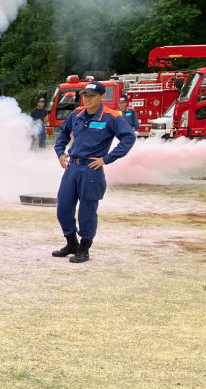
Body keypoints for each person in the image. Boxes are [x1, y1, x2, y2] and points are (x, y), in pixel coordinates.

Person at [52, 81, 135, 263]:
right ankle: (71, 243)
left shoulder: (111, 116)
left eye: (91, 96)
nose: (87, 99)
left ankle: (84, 249)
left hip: (91, 170)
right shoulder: (76, 114)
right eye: (85, 95)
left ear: (101, 97)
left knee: (87, 211)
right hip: (72, 167)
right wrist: (60, 153)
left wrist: (107, 159)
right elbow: (63, 134)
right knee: (63, 208)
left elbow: (128, 138)